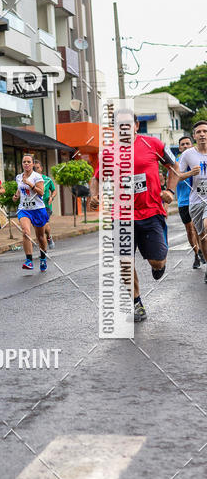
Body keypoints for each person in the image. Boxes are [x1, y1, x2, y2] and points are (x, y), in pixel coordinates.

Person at [89, 113, 178, 323]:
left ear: (136, 126)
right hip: (121, 215)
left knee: (157, 261)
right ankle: (137, 303)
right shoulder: (108, 153)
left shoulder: (153, 143)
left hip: (151, 212)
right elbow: (96, 178)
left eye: (128, 124)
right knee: (125, 261)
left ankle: (158, 265)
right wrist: (94, 195)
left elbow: (174, 167)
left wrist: (171, 192)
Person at [176, 120, 207, 282]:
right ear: (195, 136)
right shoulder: (187, 155)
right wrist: (190, 174)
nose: (202, 134)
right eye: (199, 132)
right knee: (200, 235)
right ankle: (202, 258)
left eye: (205, 131)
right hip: (193, 201)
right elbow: (176, 176)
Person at [13, 153, 50, 273]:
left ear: (33, 164)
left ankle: (43, 258)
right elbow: (20, 189)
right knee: (25, 232)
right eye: (24, 162)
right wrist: (16, 196)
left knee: (40, 237)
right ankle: (28, 260)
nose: (26, 164)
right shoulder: (19, 177)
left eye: (29, 162)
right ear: (22, 164)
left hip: (38, 210)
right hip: (24, 209)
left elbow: (41, 192)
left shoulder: (37, 177)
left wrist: (30, 183)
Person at [33, 159, 57, 249]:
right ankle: (42, 247)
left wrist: (51, 197)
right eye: (34, 168)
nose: (36, 169)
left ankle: (49, 237)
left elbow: (54, 190)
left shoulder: (47, 179)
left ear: (41, 168)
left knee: (44, 224)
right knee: (37, 228)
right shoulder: (30, 180)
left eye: (37, 168)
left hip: (46, 206)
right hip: (34, 207)